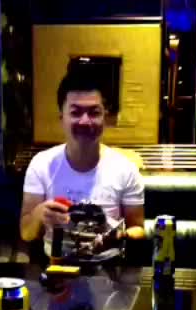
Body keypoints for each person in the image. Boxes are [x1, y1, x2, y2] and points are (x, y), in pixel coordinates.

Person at [20, 71, 145, 255]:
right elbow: (26, 233)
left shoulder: (125, 169)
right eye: (75, 112)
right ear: (62, 117)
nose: (85, 121)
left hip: (109, 267)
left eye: (94, 112)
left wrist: (120, 236)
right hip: (56, 266)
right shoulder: (41, 164)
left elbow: (138, 228)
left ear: (105, 116)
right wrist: (39, 214)